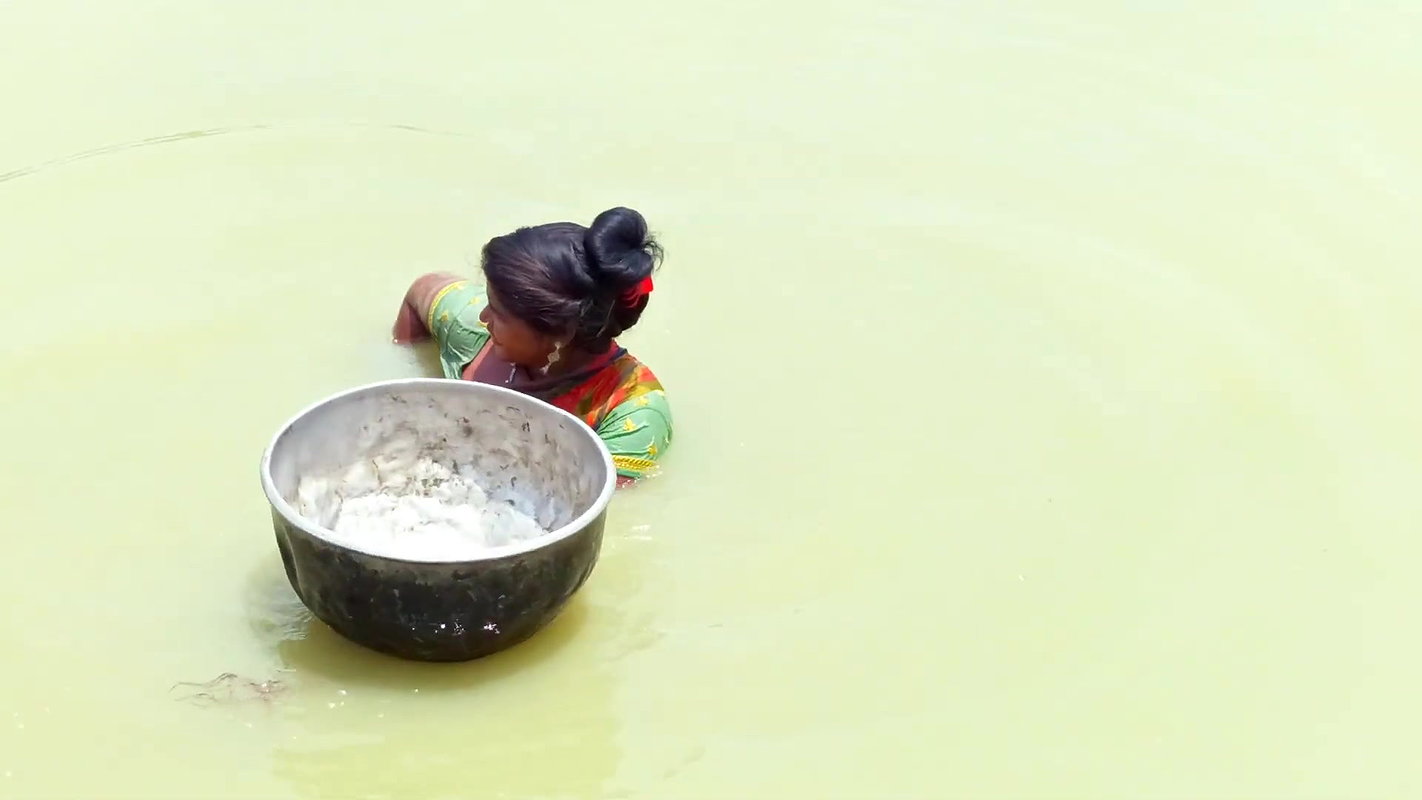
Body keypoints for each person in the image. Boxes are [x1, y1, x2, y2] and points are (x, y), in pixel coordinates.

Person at [392, 207, 671, 485]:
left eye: (498, 313)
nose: (483, 317)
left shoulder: (632, 414)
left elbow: (598, 512)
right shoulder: (471, 330)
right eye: (489, 302)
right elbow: (422, 288)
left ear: (558, 333)